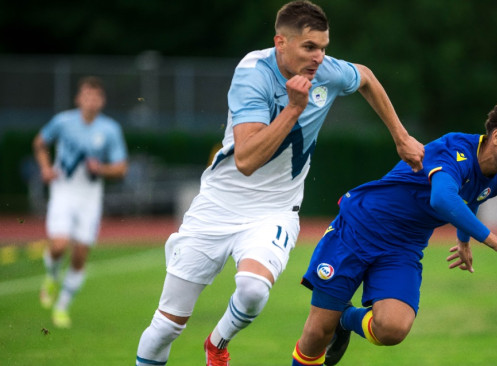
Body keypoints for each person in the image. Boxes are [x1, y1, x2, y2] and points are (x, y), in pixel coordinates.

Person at [134, 1, 424, 365]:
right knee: (166, 327)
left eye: (323, 47)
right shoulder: (252, 73)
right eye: (309, 47)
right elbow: (246, 160)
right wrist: (293, 109)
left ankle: (217, 344)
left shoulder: (327, 71)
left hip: (274, 211)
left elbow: (365, 76)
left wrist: (400, 136)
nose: (319, 57)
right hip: (217, 206)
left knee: (253, 288)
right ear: (280, 43)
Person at [290, 99, 497, 366]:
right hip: (359, 228)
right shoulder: (456, 149)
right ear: (496, 136)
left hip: (403, 248)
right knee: (318, 332)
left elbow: (471, 199)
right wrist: (493, 241)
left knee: (392, 328)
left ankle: (344, 319)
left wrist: (463, 242)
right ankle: (332, 322)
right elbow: (443, 198)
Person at [33, 76, 128, 328]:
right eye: (87, 95)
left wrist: (102, 169)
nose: (91, 101)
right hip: (63, 191)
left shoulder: (110, 129)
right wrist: (44, 168)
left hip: (90, 197)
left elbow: (121, 168)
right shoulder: (63, 122)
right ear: (78, 99)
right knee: (58, 246)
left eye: (96, 96)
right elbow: (40, 143)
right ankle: (52, 277)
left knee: (79, 255)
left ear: (102, 100)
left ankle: (62, 306)